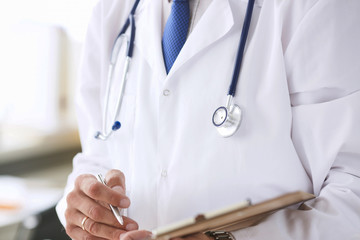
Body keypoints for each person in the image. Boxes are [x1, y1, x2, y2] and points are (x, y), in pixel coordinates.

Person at [56, 0, 360, 239]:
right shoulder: (112, 12)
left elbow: (352, 192)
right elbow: (98, 154)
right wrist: (84, 204)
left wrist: (234, 239)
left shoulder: (316, 7)